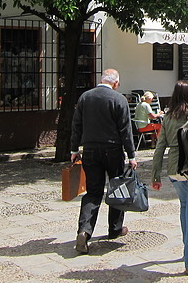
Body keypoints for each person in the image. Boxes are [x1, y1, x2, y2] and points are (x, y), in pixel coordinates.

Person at [70, 68, 136, 254]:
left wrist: (74, 149)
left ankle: (84, 230)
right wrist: (131, 155)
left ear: (101, 80)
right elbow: (126, 130)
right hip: (113, 150)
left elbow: (77, 125)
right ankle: (115, 228)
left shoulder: (85, 97)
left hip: (90, 150)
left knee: (92, 192)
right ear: (115, 83)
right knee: (117, 188)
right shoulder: (119, 99)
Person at [151, 81, 188, 276]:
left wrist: (155, 175)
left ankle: (187, 251)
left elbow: (160, 147)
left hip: (174, 169)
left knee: (185, 206)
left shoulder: (168, 116)